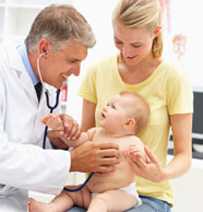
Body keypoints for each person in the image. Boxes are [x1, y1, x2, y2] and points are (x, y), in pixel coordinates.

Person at [73, 0, 193, 211]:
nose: (126, 52)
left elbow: (184, 156)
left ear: (156, 32)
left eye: (136, 45)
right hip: (96, 193)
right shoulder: (98, 71)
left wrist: (161, 173)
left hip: (149, 197)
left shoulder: (173, 78)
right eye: (118, 41)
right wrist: (64, 135)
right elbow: (84, 137)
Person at [0, 4, 120, 212]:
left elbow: (25, 141)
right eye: (72, 61)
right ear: (44, 48)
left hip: (12, 196)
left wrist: (57, 141)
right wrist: (70, 161)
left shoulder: (43, 81)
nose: (76, 72)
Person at [28, 91, 150, 212]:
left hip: (120, 194)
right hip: (90, 191)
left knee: (101, 202)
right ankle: (50, 209)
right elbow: (76, 142)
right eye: (107, 104)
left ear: (128, 123)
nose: (106, 107)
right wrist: (61, 131)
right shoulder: (96, 132)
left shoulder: (132, 142)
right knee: (68, 191)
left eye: (113, 107)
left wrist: (138, 156)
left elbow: (144, 161)